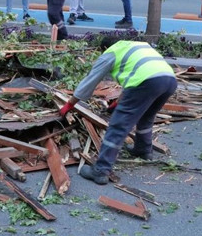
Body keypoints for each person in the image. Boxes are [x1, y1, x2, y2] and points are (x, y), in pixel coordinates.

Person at [66, 39, 178, 185]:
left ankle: (101, 170)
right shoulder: (137, 45)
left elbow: (91, 80)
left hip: (146, 81)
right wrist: (118, 102)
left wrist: (70, 104)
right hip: (169, 80)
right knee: (147, 117)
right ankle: (143, 150)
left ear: (105, 47)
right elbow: (134, 75)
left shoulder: (110, 53)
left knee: (118, 125)